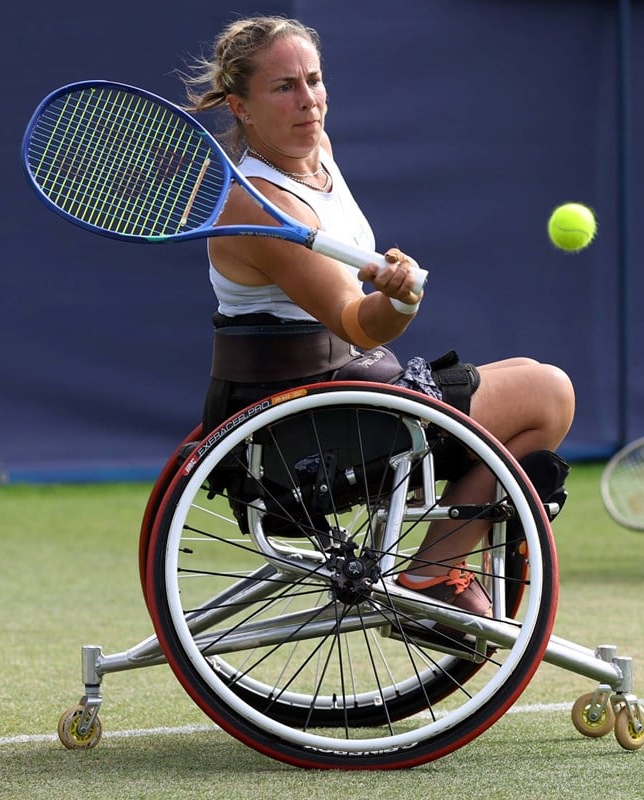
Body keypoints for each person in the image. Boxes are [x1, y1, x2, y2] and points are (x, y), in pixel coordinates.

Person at [180, 16, 575, 618]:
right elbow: (356, 322)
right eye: (284, 87)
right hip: (305, 430)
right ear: (240, 107)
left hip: (348, 393)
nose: (309, 100)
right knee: (548, 393)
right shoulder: (255, 203)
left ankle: (438, 566)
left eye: (313, 80)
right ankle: (435, 573)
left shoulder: (317, 153)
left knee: (530, 374)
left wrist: (386, 295)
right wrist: (398, 301)